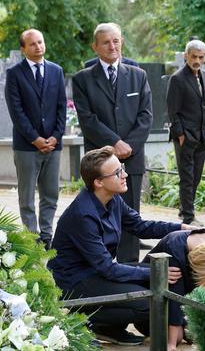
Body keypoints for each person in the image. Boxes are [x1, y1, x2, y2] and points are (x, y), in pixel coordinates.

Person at [48, 146, 197, 346]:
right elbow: (108, 268)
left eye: (122, 168)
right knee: (147, 301)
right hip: (76, 282)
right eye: (118, 172)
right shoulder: (82, 215)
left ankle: (120, 326)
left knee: (165, 277)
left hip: (99, 272)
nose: (124, 174)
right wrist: (153, 273)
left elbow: (140, 226)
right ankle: (90, 323)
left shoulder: (113, 199)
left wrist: (180, 227)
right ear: (98, 182)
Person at [73, 22, 153, 264]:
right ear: (95, 47)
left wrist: (128, 146)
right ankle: (100, 263)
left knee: (130, 217)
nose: (112, 46)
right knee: (98, 212)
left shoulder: (138, 76)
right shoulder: (83, 79)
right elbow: (87, 119)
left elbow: (146, 115)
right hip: (99, 161)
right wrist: (114, 144)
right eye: (106, 42)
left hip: (132, 158)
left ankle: (129, 265)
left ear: (122, 43)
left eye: (116, 41)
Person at [4, 29, 66, 250]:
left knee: (50, 194)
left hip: (53, 145)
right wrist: (35, 139)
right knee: (27, 195)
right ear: (23, 49)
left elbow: (62, 107)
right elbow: (17, 112)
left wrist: (55, 137)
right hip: (27, 147)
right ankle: (32, 238)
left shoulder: (56, 71)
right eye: (32, 44)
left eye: (40, 42)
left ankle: (47, 236)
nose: (38, 46)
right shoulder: (15, 74)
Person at [143, 229, 205, 351]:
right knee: (178, 336)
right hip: (153, 301)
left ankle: (185, 324)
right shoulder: (174, 247)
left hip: (186, 298)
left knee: (195, 336)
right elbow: (175, 296)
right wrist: (171, 344)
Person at [166, 39, 205, 227]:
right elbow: (172, 110)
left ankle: (185, 209)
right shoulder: (177, 78)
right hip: (185, 136)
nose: (197, 61)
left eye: (201, 57)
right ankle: (188, 216)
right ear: (186, 56)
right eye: (194, 56)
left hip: (202, 135)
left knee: (196, 176)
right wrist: (181, 134)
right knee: (187, 177)